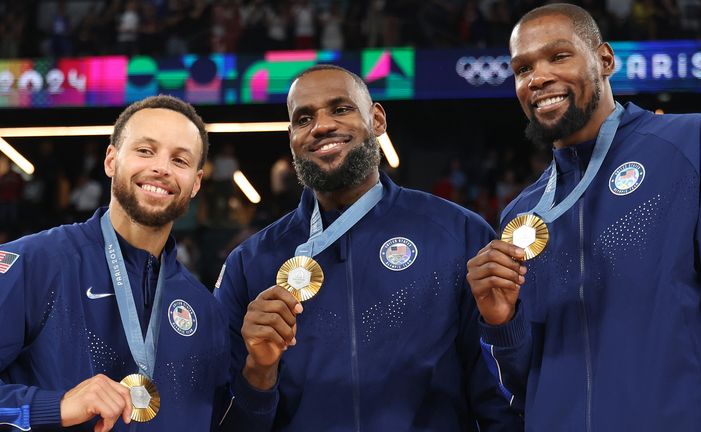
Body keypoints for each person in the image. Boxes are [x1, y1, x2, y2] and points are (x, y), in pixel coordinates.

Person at [467, 4, 701, 431]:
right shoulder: (523, 215)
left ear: (605, 60)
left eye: (558, 56)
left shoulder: (694, 144)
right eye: (522, 68)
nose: (537, 78)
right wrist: (501, 325)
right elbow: (522, 388)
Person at [213, 65, 521, 431]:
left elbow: (497, 397)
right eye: (304, 118)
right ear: (292, 137)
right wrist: (258, 372)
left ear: (376, 119)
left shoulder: (459, 234)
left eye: (341, 109)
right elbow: (225, 419)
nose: (322, 125)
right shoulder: (250, 263)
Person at [0, 95, 242, 431]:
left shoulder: (206, 311)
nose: (161, 168)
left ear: (196, 183)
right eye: (145, 150)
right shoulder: (35, 264)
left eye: (180, 160)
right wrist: (53, 407)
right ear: (111, 160)